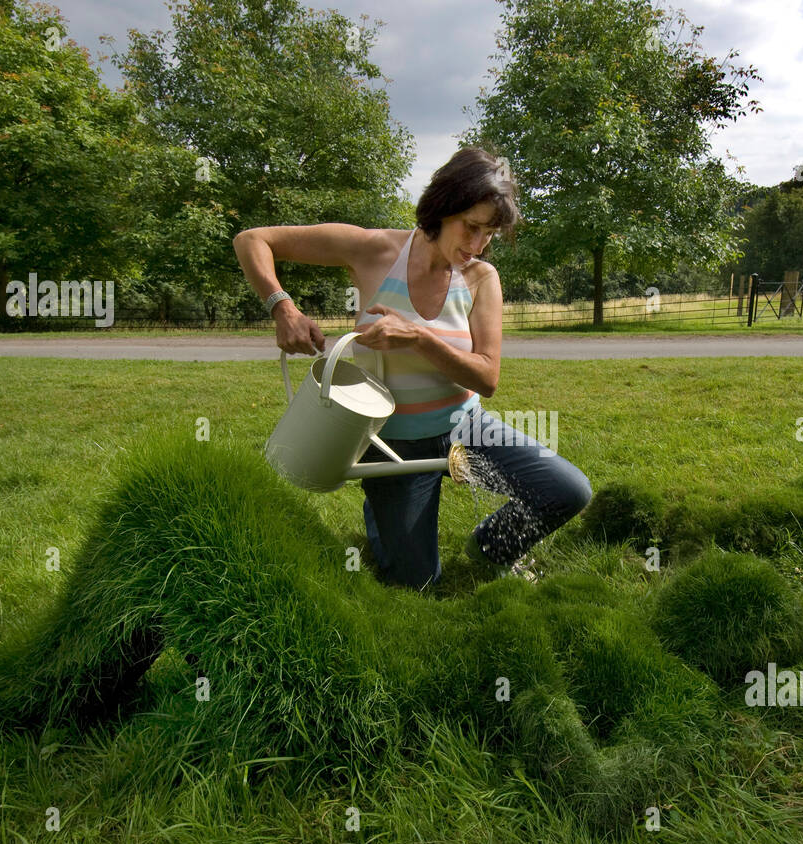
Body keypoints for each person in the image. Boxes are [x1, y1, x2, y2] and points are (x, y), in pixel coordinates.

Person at [233, 147, 592, 589]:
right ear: (442, 208)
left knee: (568, 491)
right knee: (418, 583)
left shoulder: (481, 278)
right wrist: (282, 308)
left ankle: (491, 547)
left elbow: (487, 376)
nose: (478, 245)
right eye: (471, 227)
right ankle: (385, 511)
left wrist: (419, 337)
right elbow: (253, 240)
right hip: (393, 445)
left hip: (467, 427)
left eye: (490, 234)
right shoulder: (374, 250)